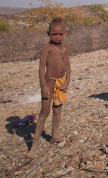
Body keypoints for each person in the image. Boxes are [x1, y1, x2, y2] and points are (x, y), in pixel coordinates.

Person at [27, 18, 71, 158]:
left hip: (60, 83)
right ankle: (35, 144)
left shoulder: (65, 49)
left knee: (57, 109)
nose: (57, 37)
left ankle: (54, 136)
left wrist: (67, 81)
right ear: (48, 34)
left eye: (60, 34)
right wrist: (43, 85)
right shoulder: (47, 48)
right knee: (44, 112)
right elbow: (41, 67)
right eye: (53, 34)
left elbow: (68, 66)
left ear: (65, 33)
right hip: (49, 83)